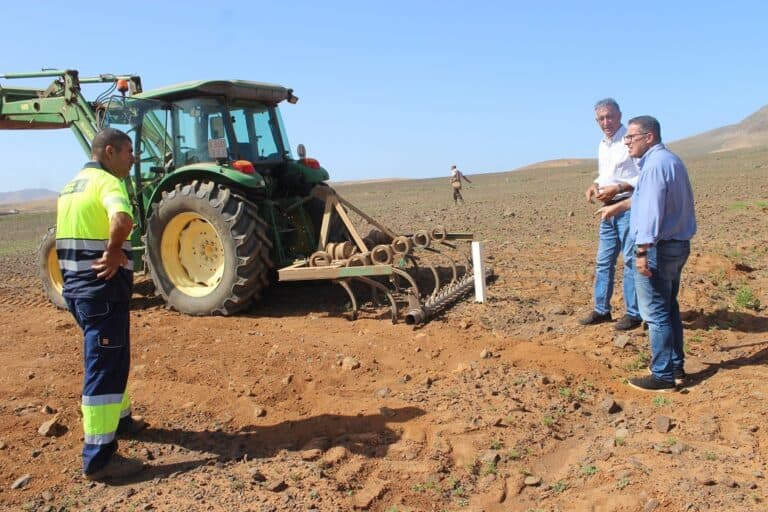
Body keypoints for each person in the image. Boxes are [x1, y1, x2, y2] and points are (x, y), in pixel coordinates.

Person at [56, 128, 147, 480]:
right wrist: (112, 251)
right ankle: (99, 458)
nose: (133, 158)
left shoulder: (71, 185)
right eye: (128, 151)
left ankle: (121, 421)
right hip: (102, 292)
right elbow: (122, 220)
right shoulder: (108, 184)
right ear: (109, 152)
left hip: (78, 292)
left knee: (113, 358)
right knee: (104, 369)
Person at [622, 116, 697, 392]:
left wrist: (641, 251)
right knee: (669, 306)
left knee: (655, 313)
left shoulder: (654, 166)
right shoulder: (672, 161)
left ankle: (663, 375)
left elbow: (651, 212)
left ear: (649, 137)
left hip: (658, 249)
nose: (627, 142)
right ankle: (676, 366)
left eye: (631, 137)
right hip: (678, 246)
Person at [580, 98, 642, 331]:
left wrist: (618, 188)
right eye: (601, 118)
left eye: (610, 116)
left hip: (626, 206)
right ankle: (601, 310)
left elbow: (643, 175)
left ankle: (633, 313)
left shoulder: (629, 141)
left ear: (619, 115)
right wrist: (595, 185)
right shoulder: (603, 145)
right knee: (603, 261)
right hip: (606, 210)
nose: (606, 122)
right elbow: (606, 174)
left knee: (629, 261)